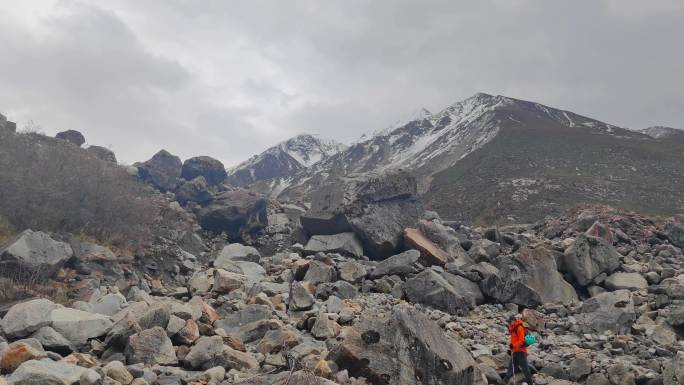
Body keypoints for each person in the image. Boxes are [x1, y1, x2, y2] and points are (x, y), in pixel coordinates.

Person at [502, 314, 535, 385]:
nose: (509, 323)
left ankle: (530, 383)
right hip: (515, 351)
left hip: (520, 352)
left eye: (510, 322)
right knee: (511, 368)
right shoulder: (514, 328)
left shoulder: (519, 328)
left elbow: (522, 340)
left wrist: (513, 346)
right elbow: (515, 339)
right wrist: (512, 347)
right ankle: (504, 382)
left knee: (525, 369)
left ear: (513, 321)